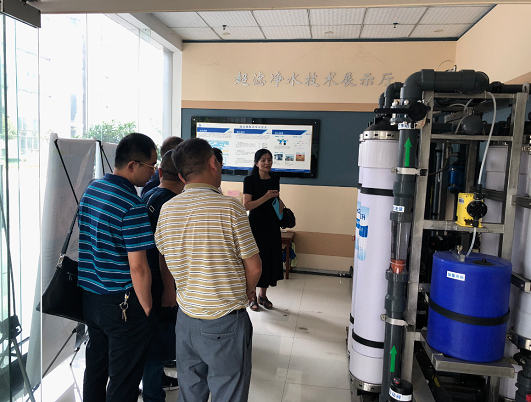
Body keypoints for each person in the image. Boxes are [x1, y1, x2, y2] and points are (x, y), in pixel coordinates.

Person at [155, 138, 262, 402]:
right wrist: (247, 290)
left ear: (181, 176)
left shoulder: (167, 209)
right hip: (225, 320)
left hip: (186, 320)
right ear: (213, 163)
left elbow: (164, 256)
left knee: (190, 393)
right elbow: (254, 267)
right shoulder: (231, 208)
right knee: (228, 393)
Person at [78, 132, 158, 402]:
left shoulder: (92, 189)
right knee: (123, 380)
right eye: (151, 165)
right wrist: (146, 308)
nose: (153, 172)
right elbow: (139, 268)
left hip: (91, 297)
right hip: (122, 304)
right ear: (132, 165)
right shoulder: (132, 205)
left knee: (96, 368)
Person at [141, 150, 183, 402]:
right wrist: (170, 288)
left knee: (151, 339)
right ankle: (152, 394)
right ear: (184, 176)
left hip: (145, 277)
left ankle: (153, 386)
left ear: (159, 172)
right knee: (160, 344)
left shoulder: (149, 194)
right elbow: (165, 251)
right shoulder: (172, 205)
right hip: (160, 280)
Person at [243, 149, 284, 311]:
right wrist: (266, 197)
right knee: (255, 260)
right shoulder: (250, 180)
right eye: (263, 160)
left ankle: (263, 295)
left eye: (269, 159)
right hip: (256, 224)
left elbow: (276, 199)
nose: (267, 163)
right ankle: (252, 297)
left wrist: (281, 207)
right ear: (256, 163)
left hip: (272, 224)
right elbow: (246, 205)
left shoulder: (275, 178)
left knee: (269, 259)